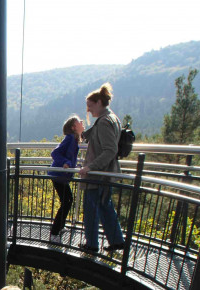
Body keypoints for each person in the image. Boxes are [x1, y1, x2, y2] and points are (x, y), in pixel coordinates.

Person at [78, 83, 126, 252]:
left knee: (91, 209)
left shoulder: (104, 122)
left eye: (90, 106)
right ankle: (117, 241)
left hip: (98, 175)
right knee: (105, 206)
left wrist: (90, 167)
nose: (88, 110)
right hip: (105, 173)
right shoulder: (111, 118)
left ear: (99, 102)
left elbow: (110, 150)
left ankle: (91, 245)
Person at [48, 115, 84, 244]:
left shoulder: (73, 139)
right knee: (67, 201)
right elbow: (55, 153)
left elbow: (69, 156)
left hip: (61, 176)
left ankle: (60, 226)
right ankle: (54, 233)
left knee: (68, 200)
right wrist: (66, 162)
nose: (82, 122)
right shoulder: (70, 138)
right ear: (73, 127)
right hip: (58, 175)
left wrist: (73, 165)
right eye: (79, 121)